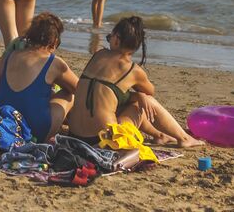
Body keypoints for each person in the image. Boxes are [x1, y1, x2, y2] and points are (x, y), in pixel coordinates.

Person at [68, 16, 205, 147]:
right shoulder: (132, 70)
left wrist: (136, 96)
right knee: (145, 102)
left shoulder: (98, 55)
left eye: (109, 37)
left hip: (74, 136)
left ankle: (160, 135)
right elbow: (150, 92)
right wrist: (139, 95)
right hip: (104, 140)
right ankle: (184, 138)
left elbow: (106, 94)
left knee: (126, 102)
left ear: (116, 40)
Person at [0, 12, 78, 142]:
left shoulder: (11, 55)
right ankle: (72, 133)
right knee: (69, 95)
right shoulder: (54, 63)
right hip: (36, 131)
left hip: (3, 126)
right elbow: (79, 89)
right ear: (54, 41)